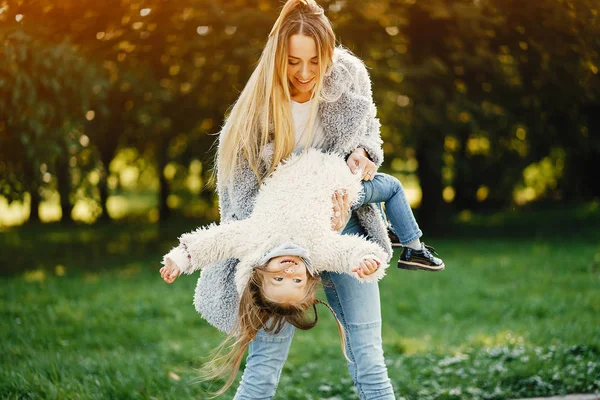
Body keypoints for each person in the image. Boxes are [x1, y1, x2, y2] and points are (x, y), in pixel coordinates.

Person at [164, 0, 443, 398]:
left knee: (369, 357)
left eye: (316, 61)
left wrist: (365, 153)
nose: (306, 73)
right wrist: (262, 256)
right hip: (277, 247)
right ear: (278, 56)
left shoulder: (348, 77)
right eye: (294, 62)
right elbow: (239, 206)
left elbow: (370, 129)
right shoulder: (253, 114)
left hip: (343, 230)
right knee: (263, 366)